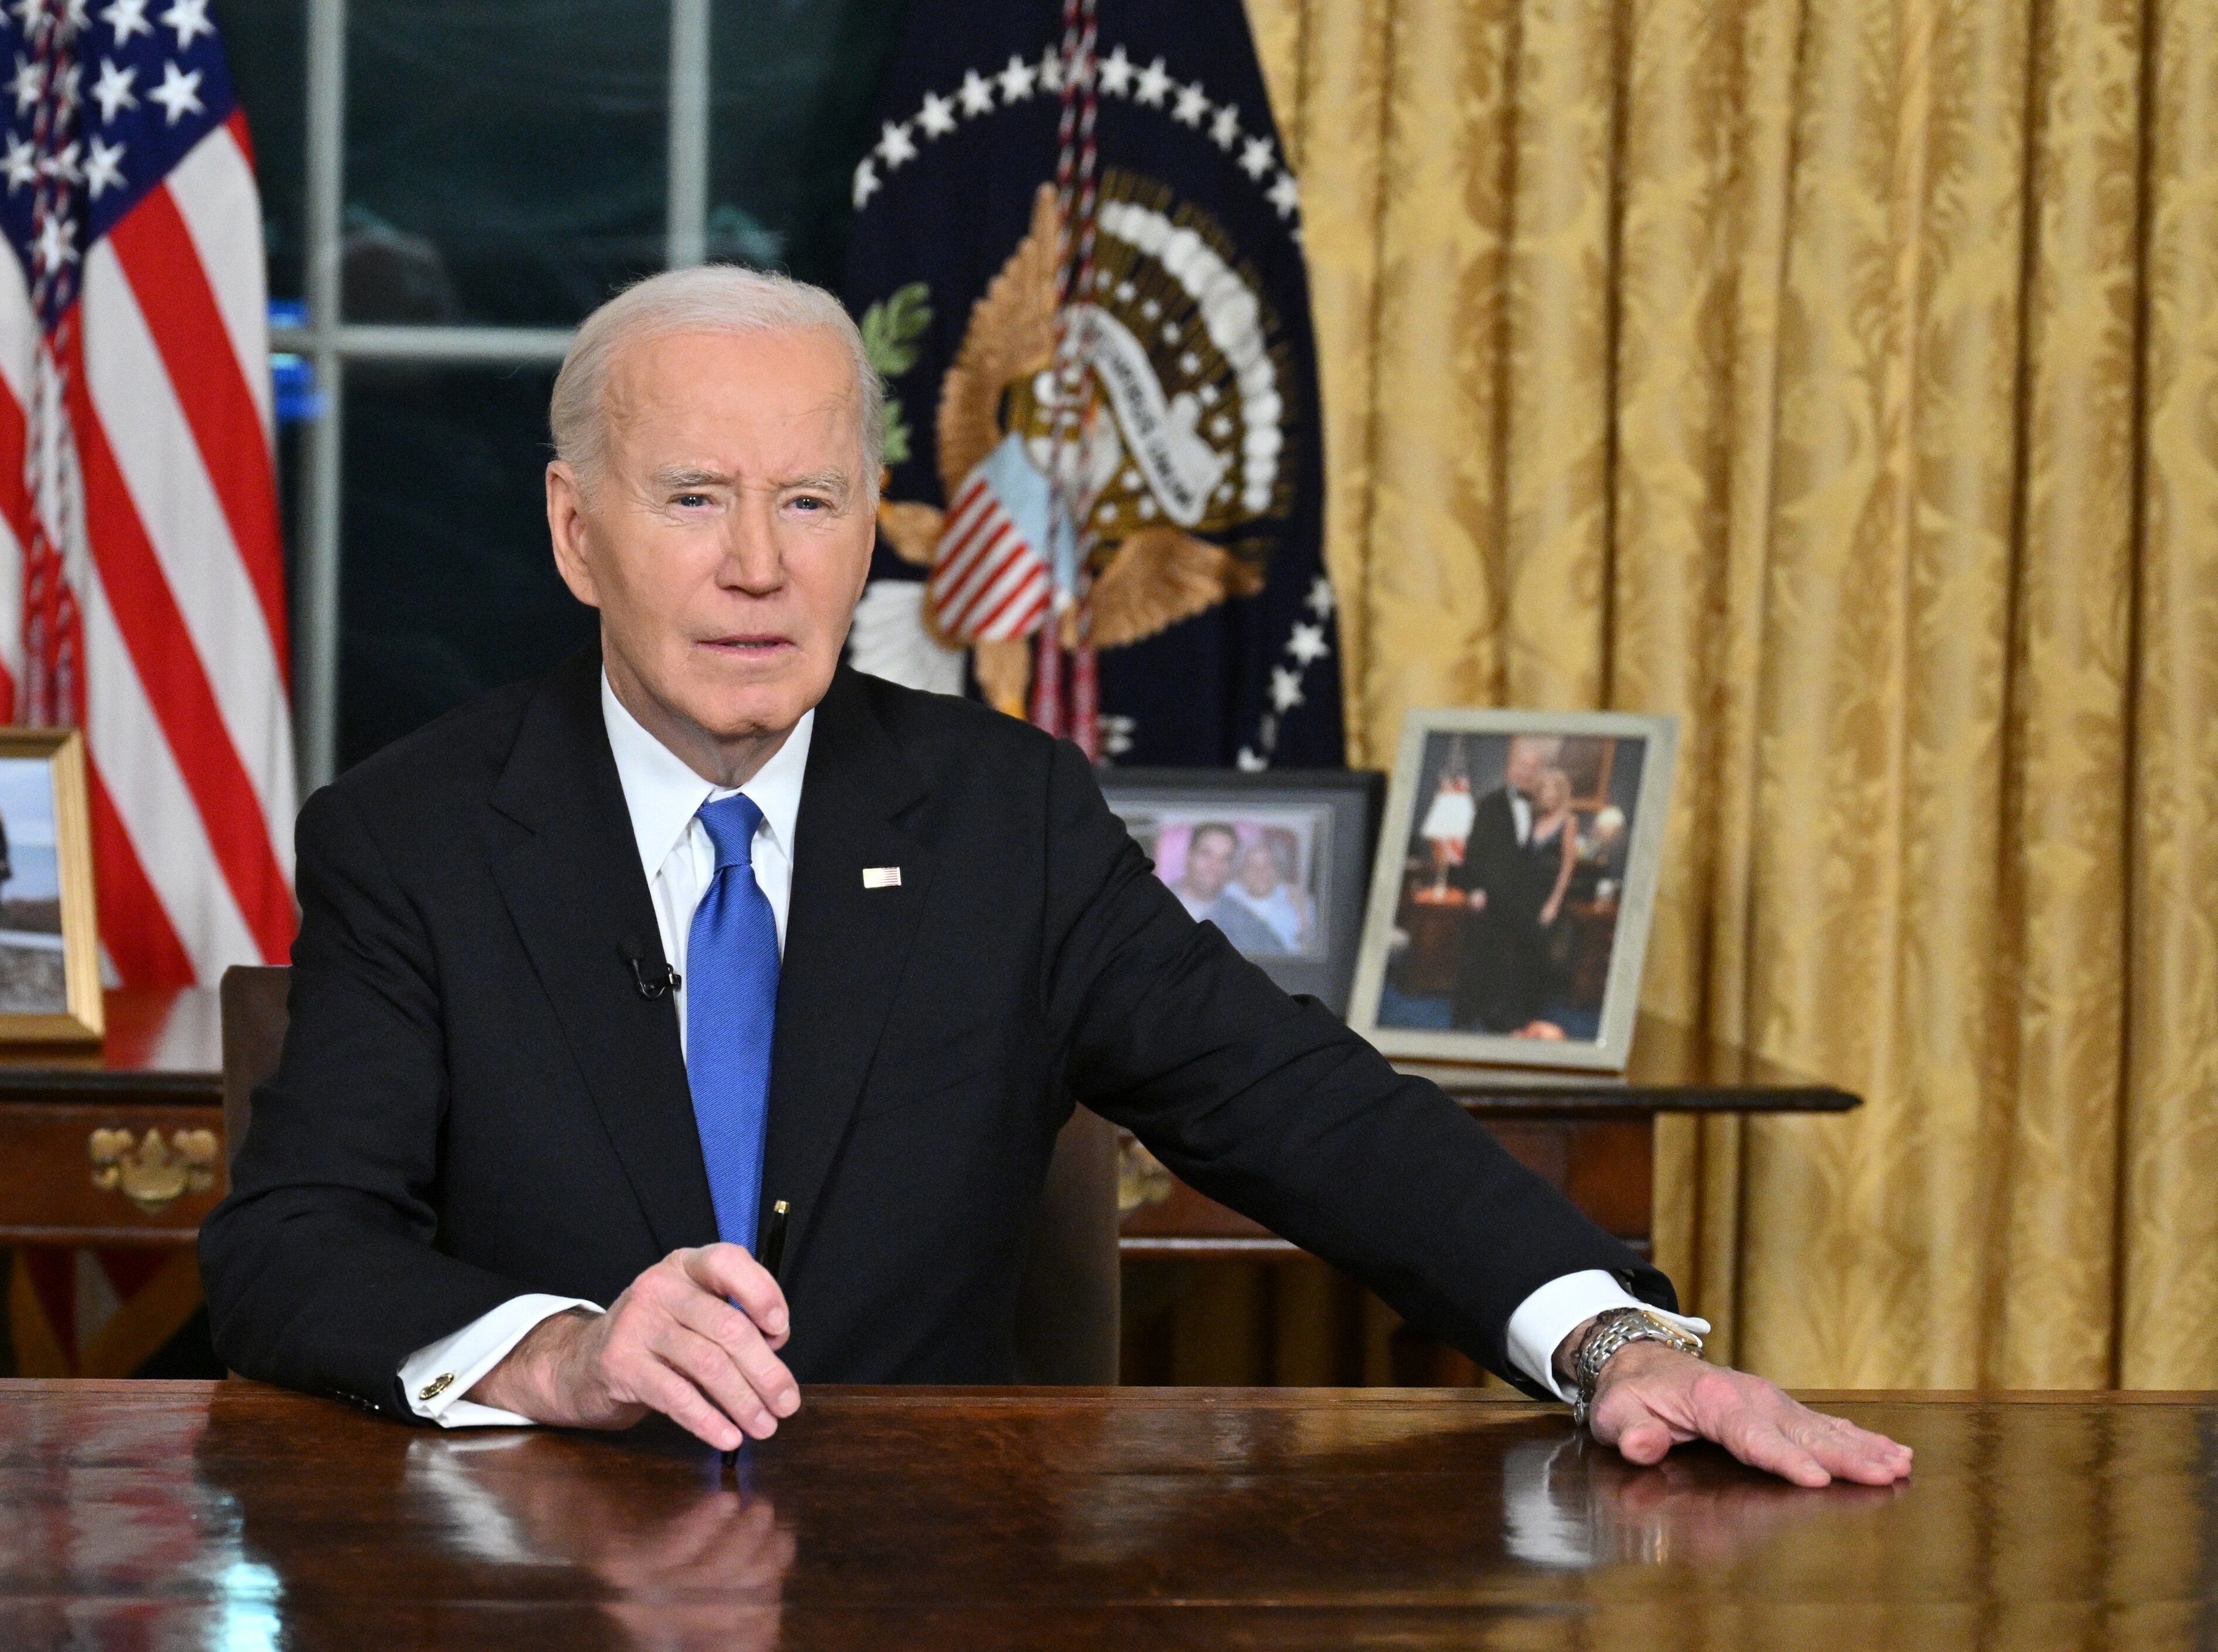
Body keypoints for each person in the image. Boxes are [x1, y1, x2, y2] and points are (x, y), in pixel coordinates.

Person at [199, 266, 1908, 1491]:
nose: (754, 565)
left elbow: (1308, 1107)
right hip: (523, 1611)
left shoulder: (1002, 820)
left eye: (810, 500)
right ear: (578, 533)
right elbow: (288, 1250)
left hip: (935, 1612)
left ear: (873, 526)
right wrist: (561, 1355)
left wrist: (1617, 1344)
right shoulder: (411, 834)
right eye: (694, 497)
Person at [1455, 741, 1578, 1035]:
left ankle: (1508, 1018)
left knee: (1515, 963)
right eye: (1521, 766)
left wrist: (1550, 904)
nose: (1526, 773)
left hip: (1525, 901)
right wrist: (1475, 889)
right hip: (1492, 898)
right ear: (1511, 767)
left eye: (1532, 768)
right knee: (1479, 958)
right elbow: (1475, 850)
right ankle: (1464, 1017)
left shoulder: (1539, 811)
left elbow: (1553, 863)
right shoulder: (1490, 803)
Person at [1211, 837, 1307, 957]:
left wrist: (1302, 916)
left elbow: (1306, 954)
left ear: (1279, 870)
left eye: (1268, 865)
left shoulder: (1296, 900)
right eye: (1251, 865)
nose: (1260, 872)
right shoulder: (1224, 898)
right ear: (1240, 872)